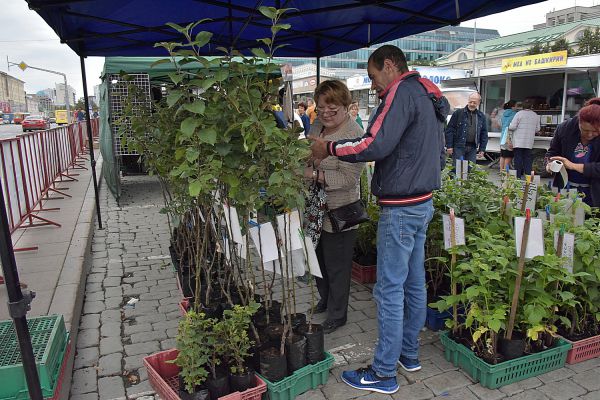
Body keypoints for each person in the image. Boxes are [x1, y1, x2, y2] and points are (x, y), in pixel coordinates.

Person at [309, 45, 447, 395]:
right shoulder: (427, 93)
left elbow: (373, 144)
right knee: (413, 284)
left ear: (389, 66)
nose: (373, 86)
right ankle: (409, 355)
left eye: (373, 76)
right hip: (422, 202)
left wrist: (330, 149)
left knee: (388, 290)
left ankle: (384, 372)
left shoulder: (401, 92)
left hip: (401, 206)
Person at [305, 80, 364, 334]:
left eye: (333, 109)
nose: (326, 114)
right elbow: (309, 152)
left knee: (337, 265)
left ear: (346, 106)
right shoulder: (318, 124)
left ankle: (338, 314)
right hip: (315, 208)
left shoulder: (353, 135)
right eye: (321, 108)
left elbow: (349, 179)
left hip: (340, 210)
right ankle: (325, 300)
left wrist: (313, 175)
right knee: (316, 258)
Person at [545, 98, 600, 207]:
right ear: (579, 121)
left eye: (595, 131)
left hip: (595, 193)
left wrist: (573, 166)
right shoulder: (565, 128)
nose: (589, 135)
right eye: (585, 130)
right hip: (566, 189)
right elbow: (552, 152)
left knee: (591, 221)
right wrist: (549, 164)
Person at [445, 92, 488, 164]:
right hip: (458, 146)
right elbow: (450, 130)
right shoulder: (458, 113)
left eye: (474, 102)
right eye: (470, 102)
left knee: (470, 170)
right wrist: (449, 146)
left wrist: (482, 149)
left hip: (473, 148)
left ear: (478, 103)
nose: (472, 104)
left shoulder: (481, 116)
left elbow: (484, 133)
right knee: (458, 170)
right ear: (468, 100)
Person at [509, 101, 540, 178]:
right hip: (529, 142)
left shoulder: (519, 114)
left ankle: (518, 177)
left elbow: (512, 127)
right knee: (527, 159)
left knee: (518, 159)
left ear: (522, 106)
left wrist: (509, 126)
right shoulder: (535, 115)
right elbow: (538, 129)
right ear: (531, 106)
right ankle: (528, 177)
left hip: (518, 141)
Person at [499, 100, 518, 172]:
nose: (517, 107)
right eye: (516, 105)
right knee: (509, 155)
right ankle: (505, 172)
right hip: (510, 135)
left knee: (503, 154)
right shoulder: (515, 114)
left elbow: (501, 124)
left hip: (503, 135)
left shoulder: (504, 113)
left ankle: (501, 171)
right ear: (513, 106)